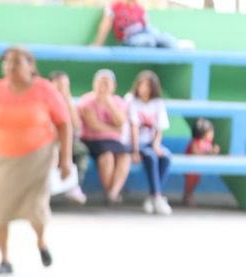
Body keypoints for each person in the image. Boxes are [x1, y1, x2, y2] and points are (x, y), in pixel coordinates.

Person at [0, 46, 73, 274]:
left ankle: (41, 241)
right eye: (6, 62)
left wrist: (65, 158)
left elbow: (64, 124)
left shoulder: (45, 90)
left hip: (37, 160)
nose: (10, 67)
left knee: (36, 208)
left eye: (17, 62)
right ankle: (5, 259)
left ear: (30, 65)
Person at [76, 68, 132, 204]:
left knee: (124, 156)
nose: (103, 86)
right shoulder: (87, 100)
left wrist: (109, 104)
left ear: (114, 86)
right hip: (92, 140)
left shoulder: (118, 101)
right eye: (100, 82)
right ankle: (110, 193)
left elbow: (121, 122)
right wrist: (114, 128)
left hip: (113, 141)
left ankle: (114, 192)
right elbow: (93, 125)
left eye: (107, 83)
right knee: (107, 157)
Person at [126, 69, 173, 214]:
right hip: (135, 143)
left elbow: (160, 128)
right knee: (151, 157)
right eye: (142, 85)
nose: (145, 89)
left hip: (150, 142)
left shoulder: (158, 103)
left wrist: (156, 144)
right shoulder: (131, 101)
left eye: (148, 86)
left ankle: (153, 196)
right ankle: (157, 197)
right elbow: (133, 128)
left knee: (165, 157)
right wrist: (134, 151)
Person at [92, 0, 178, 48]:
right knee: (148, 42)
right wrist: (98, 44)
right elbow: (105, 26)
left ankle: (178, 45)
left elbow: (147, 26)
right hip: (129, 38)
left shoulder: (139, 8)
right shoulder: (114, 6)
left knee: (164, 39)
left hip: (145, 32)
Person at [47, 71, 89, 204]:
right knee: (53, 151)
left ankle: (74, 186)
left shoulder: (69, 103)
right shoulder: (45, 100)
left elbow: (76, 127)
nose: (62, 88)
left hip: (68, 140)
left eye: (65, 85)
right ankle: (46, 189)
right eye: (59, 84)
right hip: (47, 140)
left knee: (81, 150)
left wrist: (68, 101)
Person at [183, 118, 217, 207]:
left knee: (194, 182)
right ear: (203, 133)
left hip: (197, 169)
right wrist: (207, 153)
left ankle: (189, 195)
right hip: (190, 167)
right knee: (190, 183)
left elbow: (208, 152)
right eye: (211, 132)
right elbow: (195, 152)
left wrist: (213, 151)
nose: (212, 134)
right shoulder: (196, 142)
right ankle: (187, 196)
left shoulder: (207, 142)